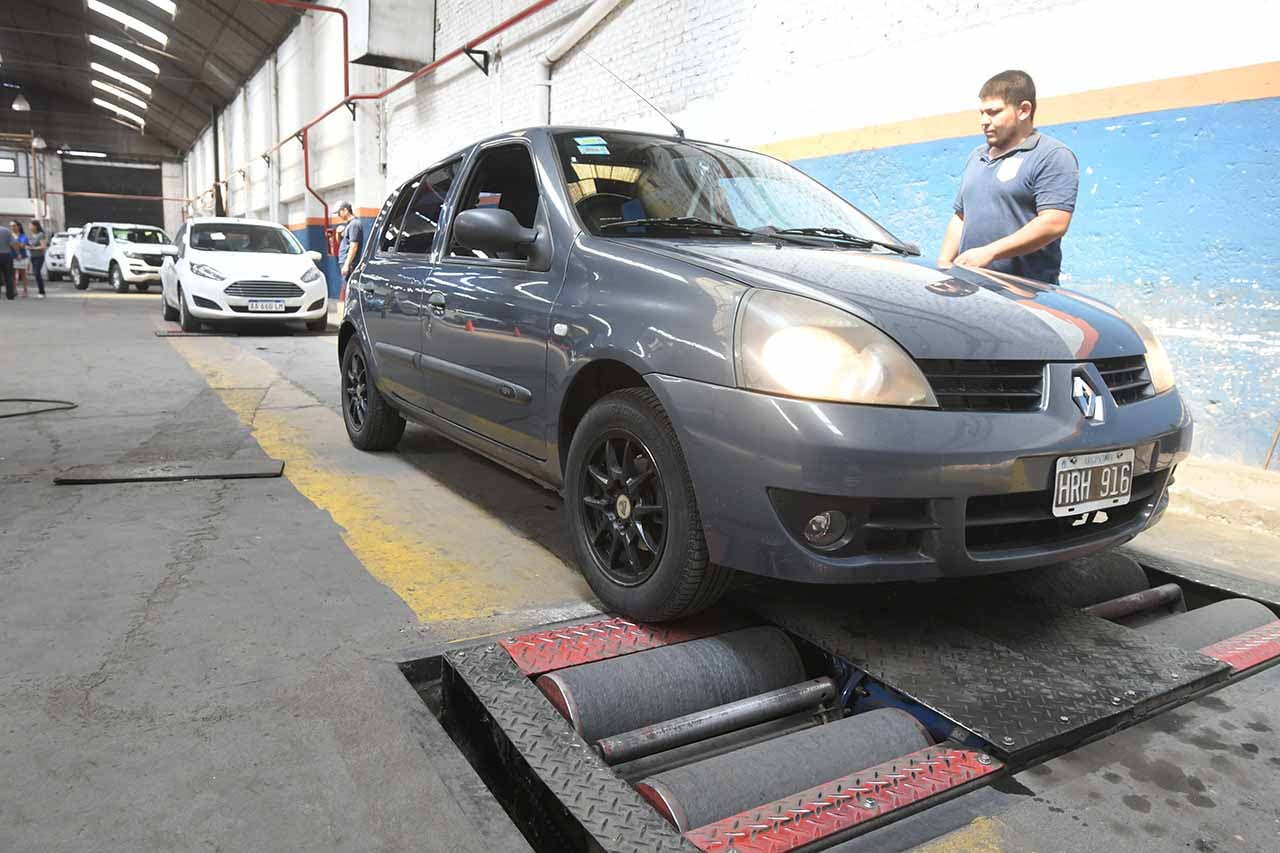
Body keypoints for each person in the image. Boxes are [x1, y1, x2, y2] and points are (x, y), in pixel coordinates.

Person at [937, 70, 1079, 285]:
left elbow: (1054, 223)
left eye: (993, 112)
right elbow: (960, 216)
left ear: (1024, 110)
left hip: (1027, 295)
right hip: (970, 289)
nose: (984, 121)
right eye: (982, 113)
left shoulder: (1052, 156)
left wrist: (990, 252)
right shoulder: (977, 157)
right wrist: (943, 264)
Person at [335, 201, 363, 280]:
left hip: (350, 265)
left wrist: (347, 265)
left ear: (345, 210)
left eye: (339, 213)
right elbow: (342, 243)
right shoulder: (349, 225)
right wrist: (338, 233)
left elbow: (354, 246)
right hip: (346, 263)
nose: (338, 215)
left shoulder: (354, 224)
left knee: (346, 289)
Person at [10, 220, 30, 298]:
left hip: (22, 257)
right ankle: (14, 290)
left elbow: (22, 246)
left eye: (14, 225)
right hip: (12, 257)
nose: (12, 227)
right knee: (13, 275)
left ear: (18, 226)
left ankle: (25, 291)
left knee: (23, 274)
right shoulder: (10, 235)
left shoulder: (23, 236)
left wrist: (14, 241)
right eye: (11, 226)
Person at [27, 220, 48, 298]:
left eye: (31, 226)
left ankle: (42, 292)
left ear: (35, 226)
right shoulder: (31, 235)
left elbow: (43, 246)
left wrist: (33, 248)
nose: (30, 227)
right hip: (32, 256)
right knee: (35, 273)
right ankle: (41, 290)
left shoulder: (41, 235)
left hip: (39, 257)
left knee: (36, 273)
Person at [0, 221, 17, 300]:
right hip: (6, 255)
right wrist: (17, 253)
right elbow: (13, 244)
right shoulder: (6, 231)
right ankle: (10, 295)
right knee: (9, 276)